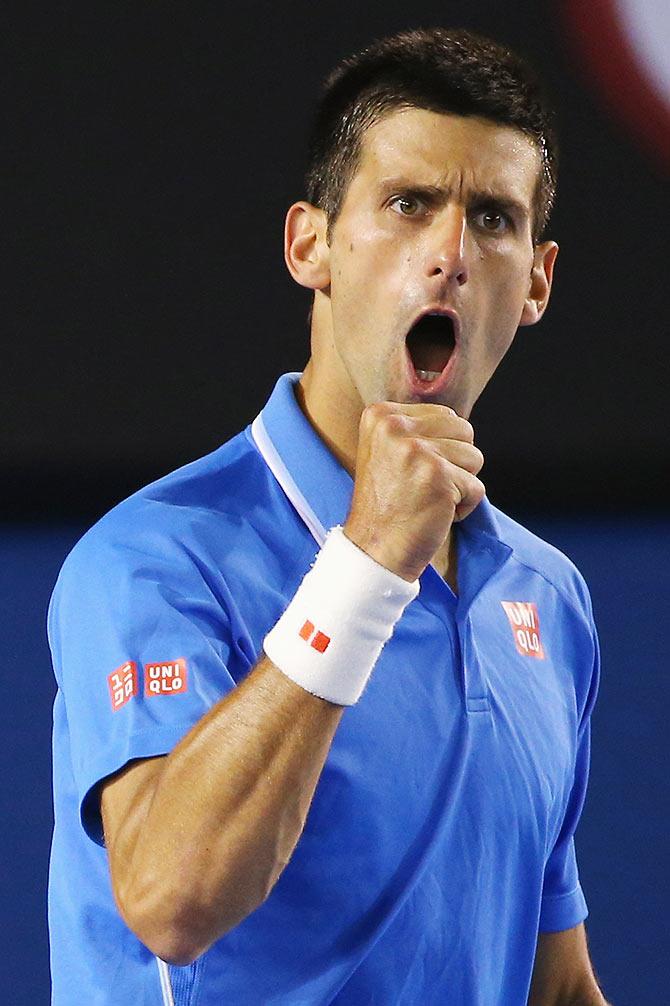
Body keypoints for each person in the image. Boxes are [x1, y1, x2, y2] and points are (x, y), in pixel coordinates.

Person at [47, 26, 611, 1005]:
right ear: (311, 245)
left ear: (537, 282)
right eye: (407, 204)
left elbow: (551, 983)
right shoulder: (151, 558)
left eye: (490, 217)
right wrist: (367, 563)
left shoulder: (547, 599)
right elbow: (171, 900)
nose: (448, 255)